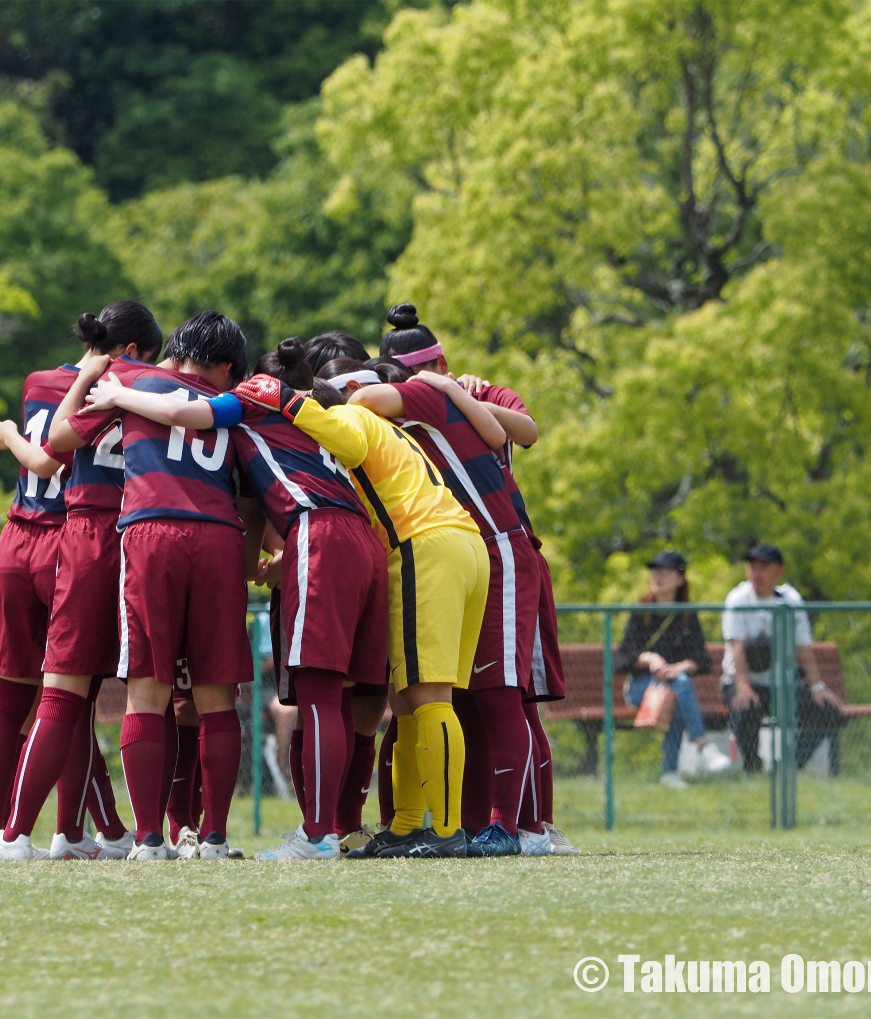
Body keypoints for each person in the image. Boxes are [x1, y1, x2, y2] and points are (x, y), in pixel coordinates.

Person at [85, 338, 387, 861]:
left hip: (306, 532)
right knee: (338, 696)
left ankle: (314, 836)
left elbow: (182, 411)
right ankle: (312, 828)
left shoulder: (249, 399)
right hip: (364, 540)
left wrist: (117, 392)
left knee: (309, 692)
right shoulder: (316, 410)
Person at [235, 354, 490, 859]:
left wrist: (287, 403)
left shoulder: (352, 415)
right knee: (412, 701)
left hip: (424, 547)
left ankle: (446, 832)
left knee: (431, 698)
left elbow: (345, 440)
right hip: (462, 546)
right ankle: (413, 823)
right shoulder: (396, 435)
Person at [51, 310, 263, 861]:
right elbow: (249, 495)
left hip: (151, 531)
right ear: (222, 366)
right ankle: (213, 837)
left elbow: (58, 437)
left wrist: (90, 381)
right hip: (218, 536)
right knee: (217, 695)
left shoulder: (131, 383)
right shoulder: (230, 409)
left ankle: (148, 839)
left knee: (147, 688)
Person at [377, 304, 579, 855]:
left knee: (510, 695)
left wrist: (456, 393)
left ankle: (525, 826)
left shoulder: (471, 392)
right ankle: (449, 823)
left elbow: (525, 431)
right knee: (449, 696)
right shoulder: (413, 409)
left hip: (505, 547)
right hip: (455, 553)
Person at [0, 302, 160, 861]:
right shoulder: (132, 383)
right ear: (132, 353)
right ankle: (71, 831)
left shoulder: (38, 382)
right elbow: (57, 457)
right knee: (70, 696)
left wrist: (6, 432)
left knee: (10, 698)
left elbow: (39, 458)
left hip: (17, 536)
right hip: (73, 539)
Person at [615, 552, 732, 789]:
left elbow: (701, 659)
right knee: (681, 686)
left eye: (665, 571)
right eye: (654, 570)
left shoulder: (686, 615)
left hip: (674, 687)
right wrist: (650, 659)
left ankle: (670, 773)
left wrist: (680, 667)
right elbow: (622, 658)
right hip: (639, 689)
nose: (658, 576)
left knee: (678, 689)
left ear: (680, 578)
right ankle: (701, 747)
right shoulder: (641, 612)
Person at [722, 544, 843, 773]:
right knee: (744, 709)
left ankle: (789, 766)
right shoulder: (738, 598)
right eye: (752, 567)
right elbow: (736, 647)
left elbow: (803, 648)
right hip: (745, 680)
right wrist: (743, 687)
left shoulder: (790, 600)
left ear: (778, 571)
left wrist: (817, 686)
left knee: (826, 710)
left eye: (763, 567)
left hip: (782, 683)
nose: (756, 573)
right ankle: (753, 767)